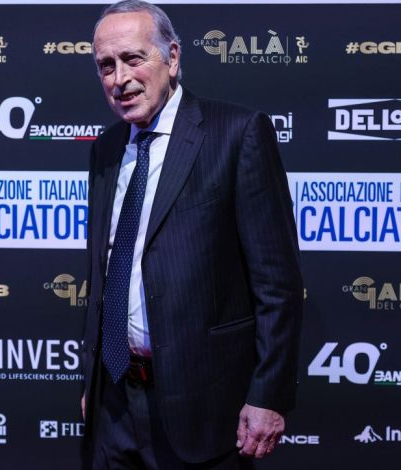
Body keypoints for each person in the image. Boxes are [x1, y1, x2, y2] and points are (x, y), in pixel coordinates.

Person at [80, 1, 304, 468]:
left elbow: (277, 283)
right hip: (114, 403)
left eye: (133, 58)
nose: (120, 78)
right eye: (106, 65)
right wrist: (93, 384)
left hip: (203, 407)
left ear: (172, 58)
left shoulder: (236, 134)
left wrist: (268, 395)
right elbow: (103, 274)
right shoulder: (105, 148)